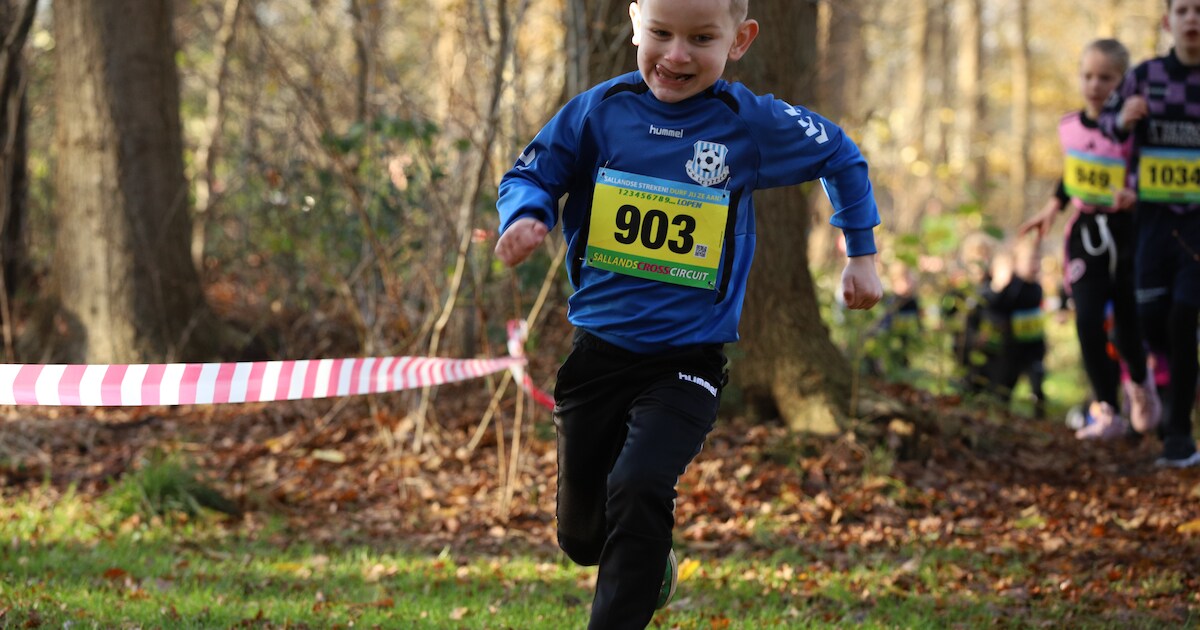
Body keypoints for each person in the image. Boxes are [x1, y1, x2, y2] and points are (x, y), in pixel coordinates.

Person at [493, 0, 883, 626]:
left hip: (687, 360)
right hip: (598, 353)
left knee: (641, 483)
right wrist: (526, 215)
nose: (676, 55)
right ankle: (651, 560)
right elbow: (531, 172)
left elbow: (840, 153)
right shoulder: (599, 112)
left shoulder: (746, 122)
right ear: (634, 24)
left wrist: (860, 253)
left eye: (701, 38)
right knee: (582, 536)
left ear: (740, 39)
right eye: (661, 33)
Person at [1020, 38, 1162, 440]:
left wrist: (1136, 195)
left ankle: (1140, 383)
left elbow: (1152, 173)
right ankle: (1106, 410)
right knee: (1086, 320)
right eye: (1088, 76)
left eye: (1106, 78)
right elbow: (1074, 172)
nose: (1095, 85)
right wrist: (1053, 206)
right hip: (1085, 233)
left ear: (1123, 81)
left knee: (1127, 327)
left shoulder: (1136, 128)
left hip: (1128, 232)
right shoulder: (1069, 126)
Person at [1098, 0, 1200, 467]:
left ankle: (1179, 435)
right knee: (1151, 319)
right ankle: (1154, 390)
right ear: (1168, 21)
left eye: (1199, 10)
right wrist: (1123, 119)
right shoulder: (1145, 76)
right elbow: (1104, 123)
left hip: (1196, 226)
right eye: (1183, 10)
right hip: (1151, 222)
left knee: (1184, 319)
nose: (1193, 19)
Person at [983, 237, 1048, 417]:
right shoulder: (1012, 287)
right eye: (1030, 260)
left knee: (1037, 385)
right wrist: (999, 285)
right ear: (1017, 262)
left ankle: (1040, 419)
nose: (1035, 265)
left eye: (1038, 260)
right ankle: (1001, 417)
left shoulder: (1036, 288)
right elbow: (992, 307)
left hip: (1033, 349)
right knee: (1005, 386)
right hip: (1012, 349)